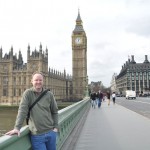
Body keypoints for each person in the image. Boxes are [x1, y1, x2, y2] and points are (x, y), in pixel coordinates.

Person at [6, 71, 58, 150]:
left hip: (51, 132)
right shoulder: (27, 93)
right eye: (36, 80)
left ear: (43, 81)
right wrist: (17, 128)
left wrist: (56, 127)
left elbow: (54, 111)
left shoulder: (49, 94)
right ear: (31, 81)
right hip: (37, 135)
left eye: (40, 80)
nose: (38, 82)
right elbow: (22, 111)